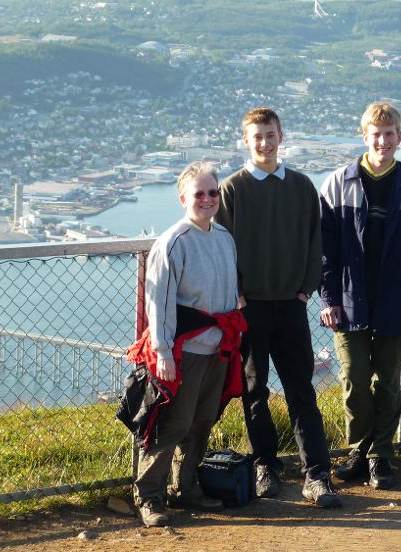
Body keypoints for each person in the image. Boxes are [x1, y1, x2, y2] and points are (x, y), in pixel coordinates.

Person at [215, 107, 341, 508]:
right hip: (249, 306)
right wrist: (236, 293)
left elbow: (313, 243)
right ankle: (265, 464)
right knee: (254, 390)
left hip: (290, 305)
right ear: (247, 141)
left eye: (270, 135)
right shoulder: (232, 189)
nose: (265, 143)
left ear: (281, 136)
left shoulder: (302, 186)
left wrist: (305, 290)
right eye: (257, 137)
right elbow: (223, 245)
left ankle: (316, 474)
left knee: (301, 390)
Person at [318, 102, 401, 490]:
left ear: (400, 137)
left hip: (396, 304)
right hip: (349, 302)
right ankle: (358, 450)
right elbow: (325, 251)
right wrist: (328, 299)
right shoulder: (336, 183)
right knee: (355, 380)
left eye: (389, 134)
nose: (383, 141)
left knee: (389, 385)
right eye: (375, 134)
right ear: (365, 137)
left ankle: (381, 454)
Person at [131, 161, 244, 527]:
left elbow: (229, 294)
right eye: (199, 193)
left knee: (202, 420)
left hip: (218, 347)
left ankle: (186, 486)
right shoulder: (173, 241)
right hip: (185, 349)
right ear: (183, 198)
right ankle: (149, 496)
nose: (207, 199)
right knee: (173, 423)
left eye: (213, 192)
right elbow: (158, 301)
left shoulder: (224, 237)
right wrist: (163, 352)